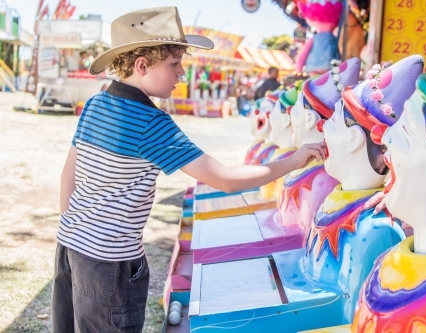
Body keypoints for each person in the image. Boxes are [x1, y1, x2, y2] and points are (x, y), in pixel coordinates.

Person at [53, 7, 326, 333]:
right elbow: (224, 179)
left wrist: (79, 230)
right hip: (111, 265)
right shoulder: (150, 122)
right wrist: (294, 161)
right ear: (142, 65)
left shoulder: (97, 103)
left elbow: (69, 174)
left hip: (70, 248)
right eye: (174, 64)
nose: (182, 72)